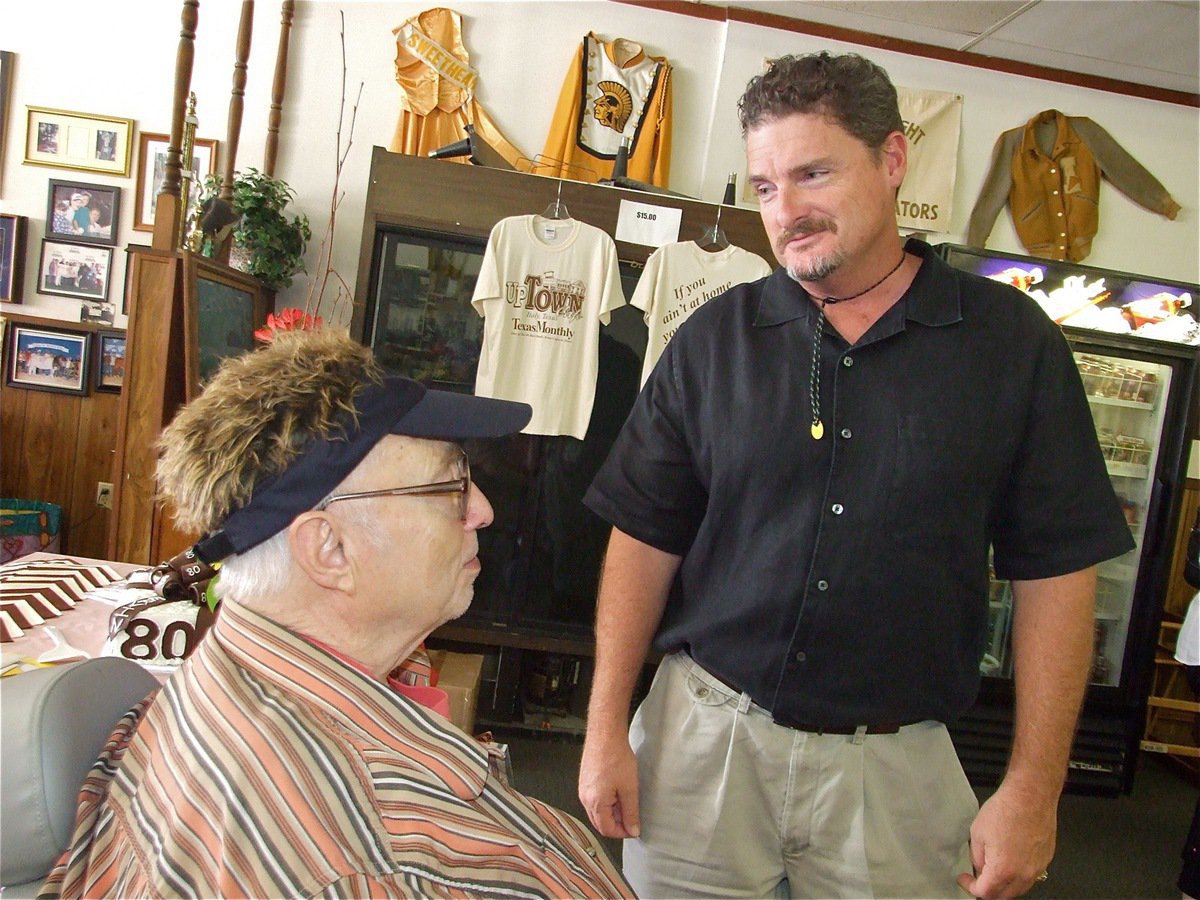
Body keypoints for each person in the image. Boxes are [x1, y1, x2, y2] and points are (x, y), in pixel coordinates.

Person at [578, 51, 1135, 900]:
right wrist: (603, 726)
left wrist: (1034, 787)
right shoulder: (716, 339)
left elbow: (1057, 573)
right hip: (703, 747)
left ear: (893, 160)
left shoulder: (1010, 345)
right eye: (764, 187)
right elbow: (644, 534)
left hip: (895, 772)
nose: (787, 211)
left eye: (812, 173)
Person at [41, 329, 632, 899]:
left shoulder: (214, 680)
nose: (482, 509)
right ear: (329, 550)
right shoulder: (383, 864)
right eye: (451, 483)